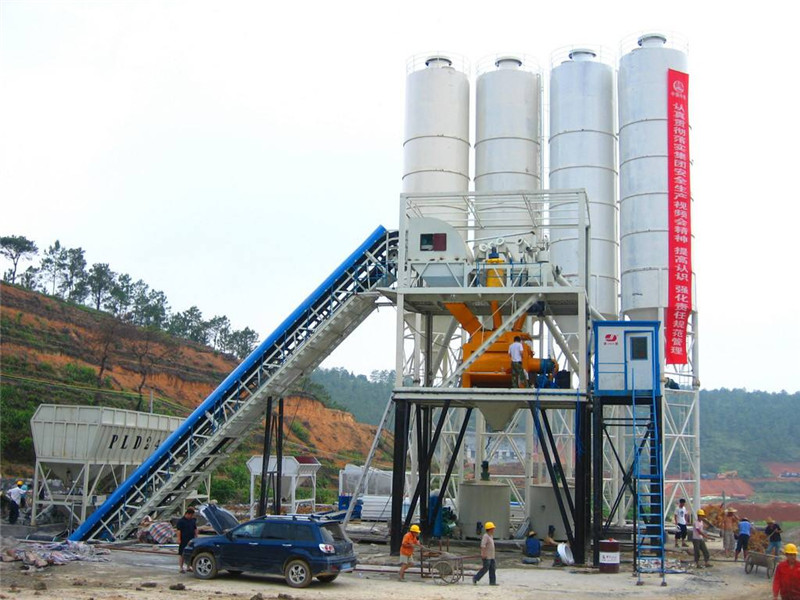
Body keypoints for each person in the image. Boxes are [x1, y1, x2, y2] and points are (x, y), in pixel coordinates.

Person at [473, 521, 497, 586]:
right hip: (487, 556)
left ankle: (492, 582)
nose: (493, 530)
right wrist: (483, 554)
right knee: (485, 568)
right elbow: (483, 545)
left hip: (492, 556)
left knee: (492, 569)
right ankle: (476, 578)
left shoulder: (491, 536)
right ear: (490, 529)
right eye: (493, 528)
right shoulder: (485, 536)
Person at [176, 507, 197, 573]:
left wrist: (196, 536)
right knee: (182, 553)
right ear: (188, 514)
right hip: (183, 539)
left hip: (191, 539)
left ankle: (188, 567)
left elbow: (195, 529)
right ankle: (181, 567)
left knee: (191, 553)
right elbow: (178, 531)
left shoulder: (192, 520)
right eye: (191, 515)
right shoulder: (181, 521)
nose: (192, 516)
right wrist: (179, 539)